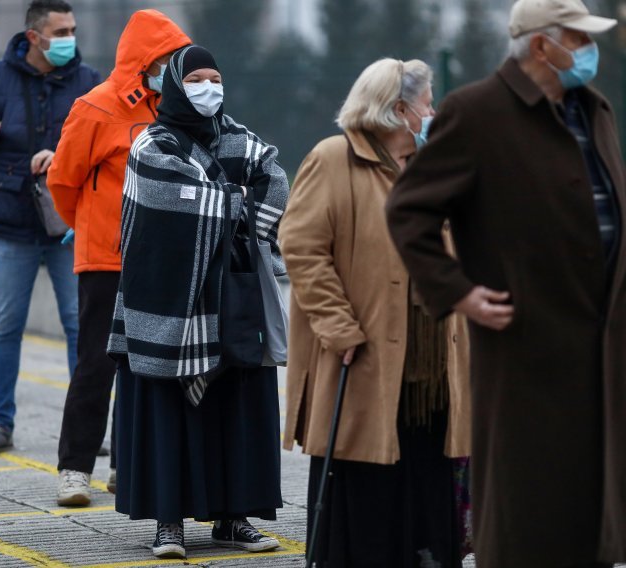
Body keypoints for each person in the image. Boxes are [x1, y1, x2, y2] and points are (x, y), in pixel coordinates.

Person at [385, 1, 626, 566]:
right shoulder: (477, 112)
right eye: (578, 39)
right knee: (531, 516)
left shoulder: (595, 109)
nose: (588, 52)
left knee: (596, 514)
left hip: (603, 347)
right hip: (527, 348)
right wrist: (459, 291)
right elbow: (408, 211)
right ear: (542, 46)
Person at [280, 58, 471, 568]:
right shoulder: (333, 158)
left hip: (434, 368)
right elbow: (300, 248)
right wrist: (338, 326)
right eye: (427, 103)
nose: (432, 112)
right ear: (399, 109)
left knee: (429, 477)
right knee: (365, 476)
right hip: (364, 357)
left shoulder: (432, 165)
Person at [106, 45, 288, 560]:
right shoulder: (150, 143)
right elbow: (169, 202)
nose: (210, 87)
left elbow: (275, 180)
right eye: (198, 79)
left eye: (216, 76)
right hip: (167, 304)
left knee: (240, 407)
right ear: (175, 87)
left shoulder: (238, 136)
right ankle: (169, 524)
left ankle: (236, 518)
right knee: (170, 411)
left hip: (232, 296)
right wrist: (233, 204)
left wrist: (217, 205)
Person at [0, 0, 100, 456]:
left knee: (79, 327)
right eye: (61, 30)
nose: (70, 38)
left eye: (72, 29)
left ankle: (86, 428)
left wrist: (65, 157)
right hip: (10, 222)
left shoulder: (88, 81)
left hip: (68, 224)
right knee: (6, 327)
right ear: (34, 36)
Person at [47, 9, 191, 507]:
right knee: (95, 362)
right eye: (165, 59)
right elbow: (63, 181)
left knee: (146, 365)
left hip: (157, 259)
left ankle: (126, 466)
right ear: (143, 59)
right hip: (107, 258)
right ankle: (73, 468)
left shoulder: (173, 107)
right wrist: (88, 227)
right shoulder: (96, 107)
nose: (171, 67)